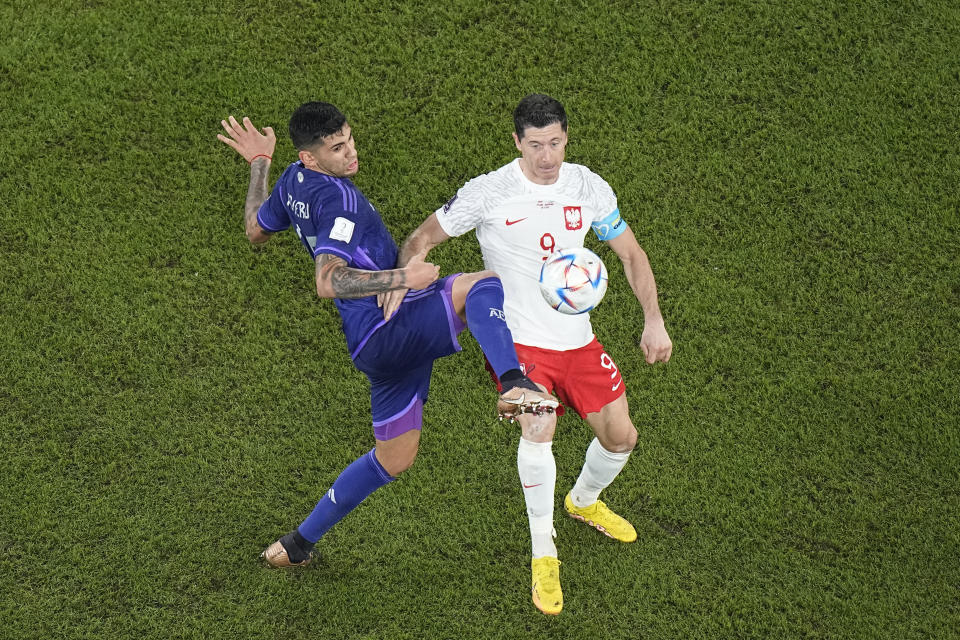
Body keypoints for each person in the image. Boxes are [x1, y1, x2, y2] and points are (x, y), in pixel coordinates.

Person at [216, 102, 557, 569]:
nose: (350, 153)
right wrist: (403, 279)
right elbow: (327, 281)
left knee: (394, 457)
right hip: (387, 326)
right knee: (482, 284)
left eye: (350, 139)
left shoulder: (293, 181)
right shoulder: (340, 202)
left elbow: (256, 230)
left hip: (370, 345)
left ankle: (296, 546)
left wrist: (260, 164)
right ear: (311, 157)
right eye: (337, 149)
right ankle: (514, 383)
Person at [393, 94, 673, 615]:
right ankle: (544, 554)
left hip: (578, 341)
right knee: (538, 425)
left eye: (557, 143)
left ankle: (583, 502)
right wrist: (401, 283)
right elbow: (420, 239)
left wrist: (653, 320)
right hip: (519, 344)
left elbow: (631, 253)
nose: (548, 156)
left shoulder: (586, 185)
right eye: (537, 145)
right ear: (517, 142)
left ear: (567, 136)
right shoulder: (489, 192)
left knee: (621, 436)